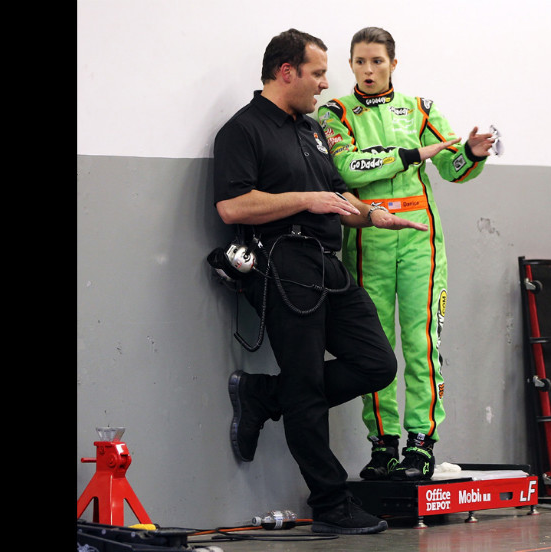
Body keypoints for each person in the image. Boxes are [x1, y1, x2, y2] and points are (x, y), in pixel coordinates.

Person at [212, 28, 449, 535]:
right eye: (318, 73)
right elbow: (232, 206)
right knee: (305, 387)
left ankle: (264, 397)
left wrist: (370, 215)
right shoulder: (243, 129)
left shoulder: (312, 129)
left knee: (376, 363)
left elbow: (338, 194)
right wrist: (303, 199)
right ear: (286, 72)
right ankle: (330, 502)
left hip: (327, 262)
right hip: (282, 264)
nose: (325, 84)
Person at [317, 26, 496, 482]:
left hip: (420, 241)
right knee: (375, 347)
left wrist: (471, 155)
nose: (369, 69)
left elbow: (453, 167)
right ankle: (383, 446)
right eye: (360, 62)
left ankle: (421, 445)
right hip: (366, 239)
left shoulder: (422, 109)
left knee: (421, 344)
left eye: (377, 61)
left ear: (394, 64)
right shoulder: (334, 113)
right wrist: (412, 153)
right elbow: (344, 166)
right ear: (351, 65)